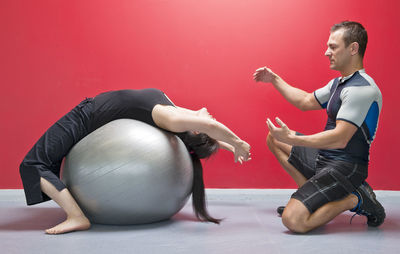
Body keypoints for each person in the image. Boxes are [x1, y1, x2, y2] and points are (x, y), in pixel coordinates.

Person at [20, 88, 251, 234]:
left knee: (32, 164)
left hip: (84, 118)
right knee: (45, 163)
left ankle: (76, 216)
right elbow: (204, 133)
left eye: (207, 123)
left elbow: (209, 127)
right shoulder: (177, 112)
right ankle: (74, 212)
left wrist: (239, 142)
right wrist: (227, 145)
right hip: (87, 119)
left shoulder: (171, 117)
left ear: (196, 130)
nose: (211, 115)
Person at [253, 21, 384, 233]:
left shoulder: (362, 89)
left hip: (346, 167)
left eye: (333, 47)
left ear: (353, 49)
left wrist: (293, 139)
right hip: (325, 158)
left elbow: (340, 138)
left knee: (293, 221)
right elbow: (305, 101)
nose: (326, 52)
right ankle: (311, 200)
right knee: (274, 138)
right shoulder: (339, 84)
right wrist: (274, 79)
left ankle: (356, 199)